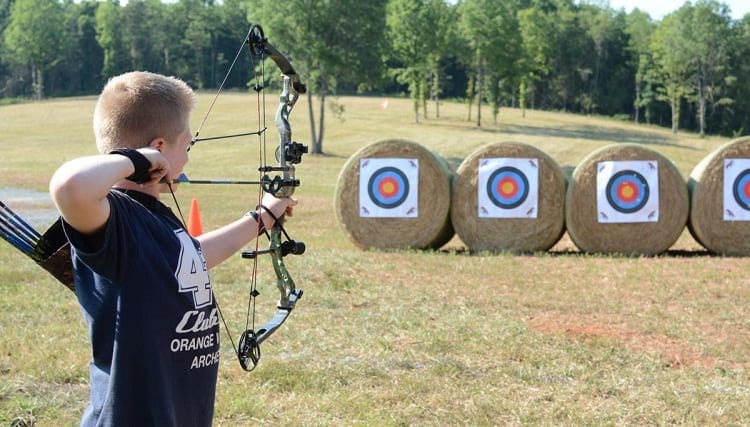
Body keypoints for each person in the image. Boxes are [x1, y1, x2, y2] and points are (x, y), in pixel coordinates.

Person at [49, 71, 296, 426]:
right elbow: (69, 187)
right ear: (159, 150)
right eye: (187, 146)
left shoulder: (158, 217)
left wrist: (261, 218)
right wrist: (136, 159)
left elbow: (189, 260)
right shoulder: (113, 220)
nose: (188, 159)